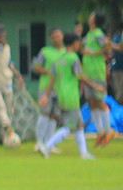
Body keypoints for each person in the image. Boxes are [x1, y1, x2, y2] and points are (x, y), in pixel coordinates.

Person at [38, 32, 96, 160]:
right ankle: (46, 147)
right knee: (69, 127)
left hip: (62, 96)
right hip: (71, 97)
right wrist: (95, 86)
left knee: (79, 124)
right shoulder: (73, 58)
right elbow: (80, 75)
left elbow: (52, 79)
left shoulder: (59, 59)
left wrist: (46, 95)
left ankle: (84, 154)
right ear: (75, 43)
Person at [81, 11, 115, 146]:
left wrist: (98, 52)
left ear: (94, 20)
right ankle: (100, 132)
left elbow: (107, 48)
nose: (89, 17)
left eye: (91, 15)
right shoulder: (89, 34)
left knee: (99, 101)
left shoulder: (99, 34)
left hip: (97, 72)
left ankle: (109, 130)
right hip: (88, 73)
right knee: (91, 101)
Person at [31, 28, 66, 152]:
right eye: (53, 37)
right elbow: (35, 68)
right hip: (46, 88)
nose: (56, 39)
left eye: (58, 36)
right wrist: (47, 71)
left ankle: (49, 143)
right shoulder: (45, 52)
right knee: (44, 112)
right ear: (51, 39)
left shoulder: (67, 52)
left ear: (62, 36)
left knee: (54, 116)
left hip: (61, 89)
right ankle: (39, 142)